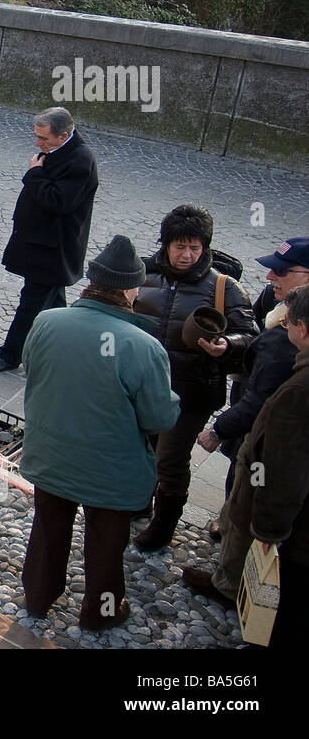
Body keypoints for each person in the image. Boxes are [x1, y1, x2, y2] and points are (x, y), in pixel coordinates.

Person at [19, 235, 180, 631]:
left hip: (51, 454)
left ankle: (38, 597)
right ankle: (101, 613)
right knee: (107, 544)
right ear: (130, 290)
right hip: (111, 470)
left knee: (48, 529)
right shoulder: (144, 346)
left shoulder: (47, 320)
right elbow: (159, 417)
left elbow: (31, 370)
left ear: (90, 281)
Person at [182, 237, 309, 605]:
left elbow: (263, 398)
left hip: (269, 440)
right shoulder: (278, 303)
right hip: (258, 431)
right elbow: (253, 337)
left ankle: (234, 585)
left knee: (248, 501)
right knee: (238, 492)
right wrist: (231, 347)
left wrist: (220, 429)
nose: (270, 276)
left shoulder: (298, 378)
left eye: (282, 272)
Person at [132, 205, 258, 552]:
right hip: (143, 386)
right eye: (180, 247)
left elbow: (250, 337)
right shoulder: (144, 273)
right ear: (166, 244)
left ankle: (163, 525)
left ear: (206, 248)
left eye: (195, 248)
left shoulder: (224, 288)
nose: (187, 255)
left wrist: (226, 345)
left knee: (171, 460)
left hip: (191, 393)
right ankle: (138, 502)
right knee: (141, 449)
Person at [0, 107, 100, 373]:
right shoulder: (58, 152)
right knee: (55, 306)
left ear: (64, 135)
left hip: (52, 250)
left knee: (31, 304)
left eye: (43, 138)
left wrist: (34, 173)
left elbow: (58, 201)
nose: (38, 143)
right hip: (42, 246)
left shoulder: (80, 160)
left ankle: (10, 354)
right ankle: (68, 351)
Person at [228, 285, 309, 646]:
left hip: (297, 536)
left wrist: (268, 533)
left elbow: (284, 473)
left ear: (302, 329)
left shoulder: (298, 392)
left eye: (289, 323)